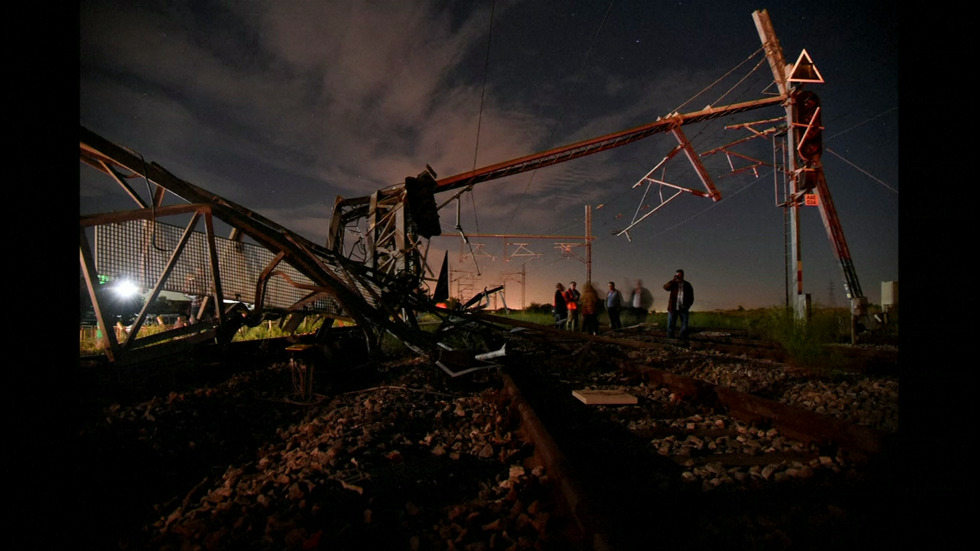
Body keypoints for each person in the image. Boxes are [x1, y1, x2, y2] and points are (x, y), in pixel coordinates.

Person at [663, 269, 694, 339]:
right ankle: (670, 339)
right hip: (673, 308)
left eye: (680, 275)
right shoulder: (673, 284)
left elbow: (691, 297)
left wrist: (688, 305)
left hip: (683, 308)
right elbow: (665, 287)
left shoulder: (687, 285)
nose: (679, 276)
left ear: (683, 275)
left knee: (684, 325)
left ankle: (682, 339)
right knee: (671, 325)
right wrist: (673, 280)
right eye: (678, 275)